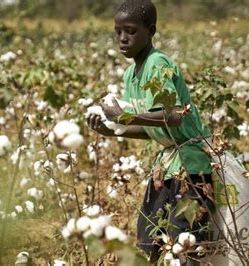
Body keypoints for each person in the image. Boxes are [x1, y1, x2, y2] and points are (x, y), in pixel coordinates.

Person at [85, 0, 214, 262]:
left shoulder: (157, 63)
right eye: (118, 31)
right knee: (149, 241)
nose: (123, 38)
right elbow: (154, 128)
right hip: (167, 164)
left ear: (151, 31)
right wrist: (114, 131)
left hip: (192, 164)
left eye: (131, 31)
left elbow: (174, 116)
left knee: (184, 244)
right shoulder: (131, 74)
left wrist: (124, 116)